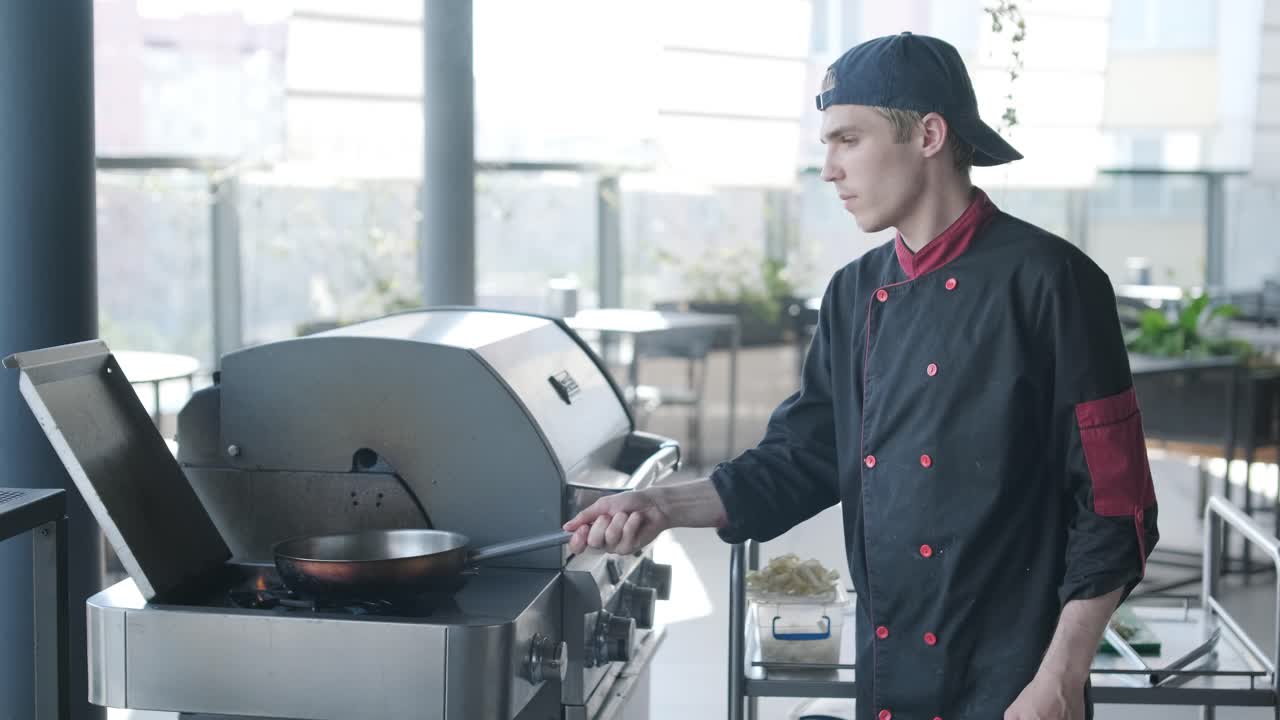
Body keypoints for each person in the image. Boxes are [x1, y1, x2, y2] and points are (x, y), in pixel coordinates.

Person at [566, 32, 1158, 720]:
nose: (828, 168)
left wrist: (1060, 680)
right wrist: (661, 508)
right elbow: (807, 455)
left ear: (929, 134)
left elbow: (1118, 503)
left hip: (1019, 681)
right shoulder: (853, 294)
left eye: (848, 139)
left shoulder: (1052, 281)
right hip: (893, 671)